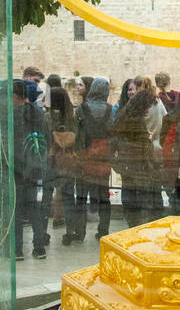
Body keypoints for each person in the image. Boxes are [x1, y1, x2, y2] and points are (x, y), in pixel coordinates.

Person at [112, 87, 162, 228]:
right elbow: (142, 147)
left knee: (128, 196)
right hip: (138, 167)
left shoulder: (124, 115)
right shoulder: (136, 122)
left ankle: (132, 225)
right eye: (147, 107)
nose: (147, 110)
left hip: (127, 165)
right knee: (140, 203)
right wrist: (148, 138)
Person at [74, 76, 114, 242]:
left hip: (84, 157)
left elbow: (76, 134)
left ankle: (80, 231)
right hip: (103, 157)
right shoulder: (111, 110)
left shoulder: (81, 109)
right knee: (104, 196)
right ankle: (103, 230)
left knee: (82, 196)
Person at [9, 79, 45, 260]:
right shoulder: (38, 112)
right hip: (34, 165)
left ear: (16, 96)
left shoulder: (13, 114)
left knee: (16, 209)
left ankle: (16, 250)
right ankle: (39, 247)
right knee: (33, 208)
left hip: (17, 166)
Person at [42, 85, 78, 248]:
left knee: (46, 199)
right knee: (69, 199)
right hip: (67, 163)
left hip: (50, 162)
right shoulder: (72, 118)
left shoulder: (47, 118)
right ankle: (70, 232)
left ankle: (42, 233)